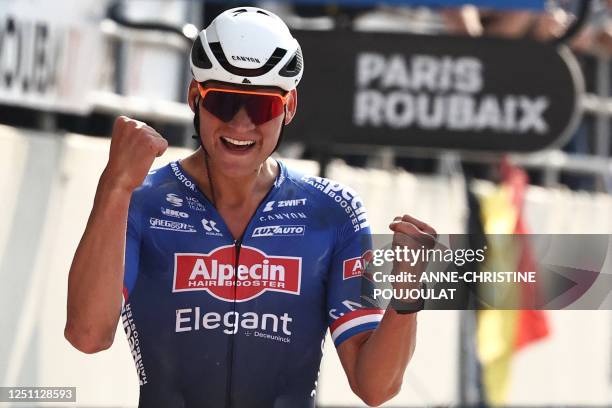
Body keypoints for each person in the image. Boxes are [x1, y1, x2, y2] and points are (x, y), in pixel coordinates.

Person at [64, 7, 436, 408]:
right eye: (224, 103)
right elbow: (87, 335)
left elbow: (375, 388)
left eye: (261, 108)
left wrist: (408, 296)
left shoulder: (334, 212)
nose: (241, 125)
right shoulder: (141, 199)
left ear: (289, 107)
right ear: (194, 98)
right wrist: (115, 186)